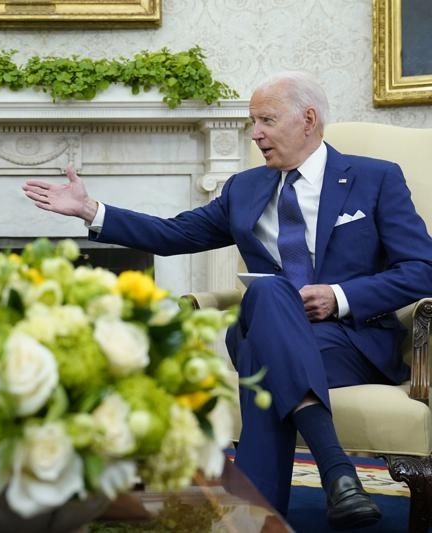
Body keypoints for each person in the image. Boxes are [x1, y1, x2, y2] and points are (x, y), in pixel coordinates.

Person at [22, 70, 432, 529]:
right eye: (252, 121)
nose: (255, 133)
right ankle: (337, 470)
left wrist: (339, 297)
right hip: (278, 326)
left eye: (266, 120)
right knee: (273, 292)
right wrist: (90, 210)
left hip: (352, 343)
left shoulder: (374, 179)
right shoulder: (245, 189)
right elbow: (172, 233)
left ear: (309, 120)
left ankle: (257, 517)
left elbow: (422, 269)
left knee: (263, 362)